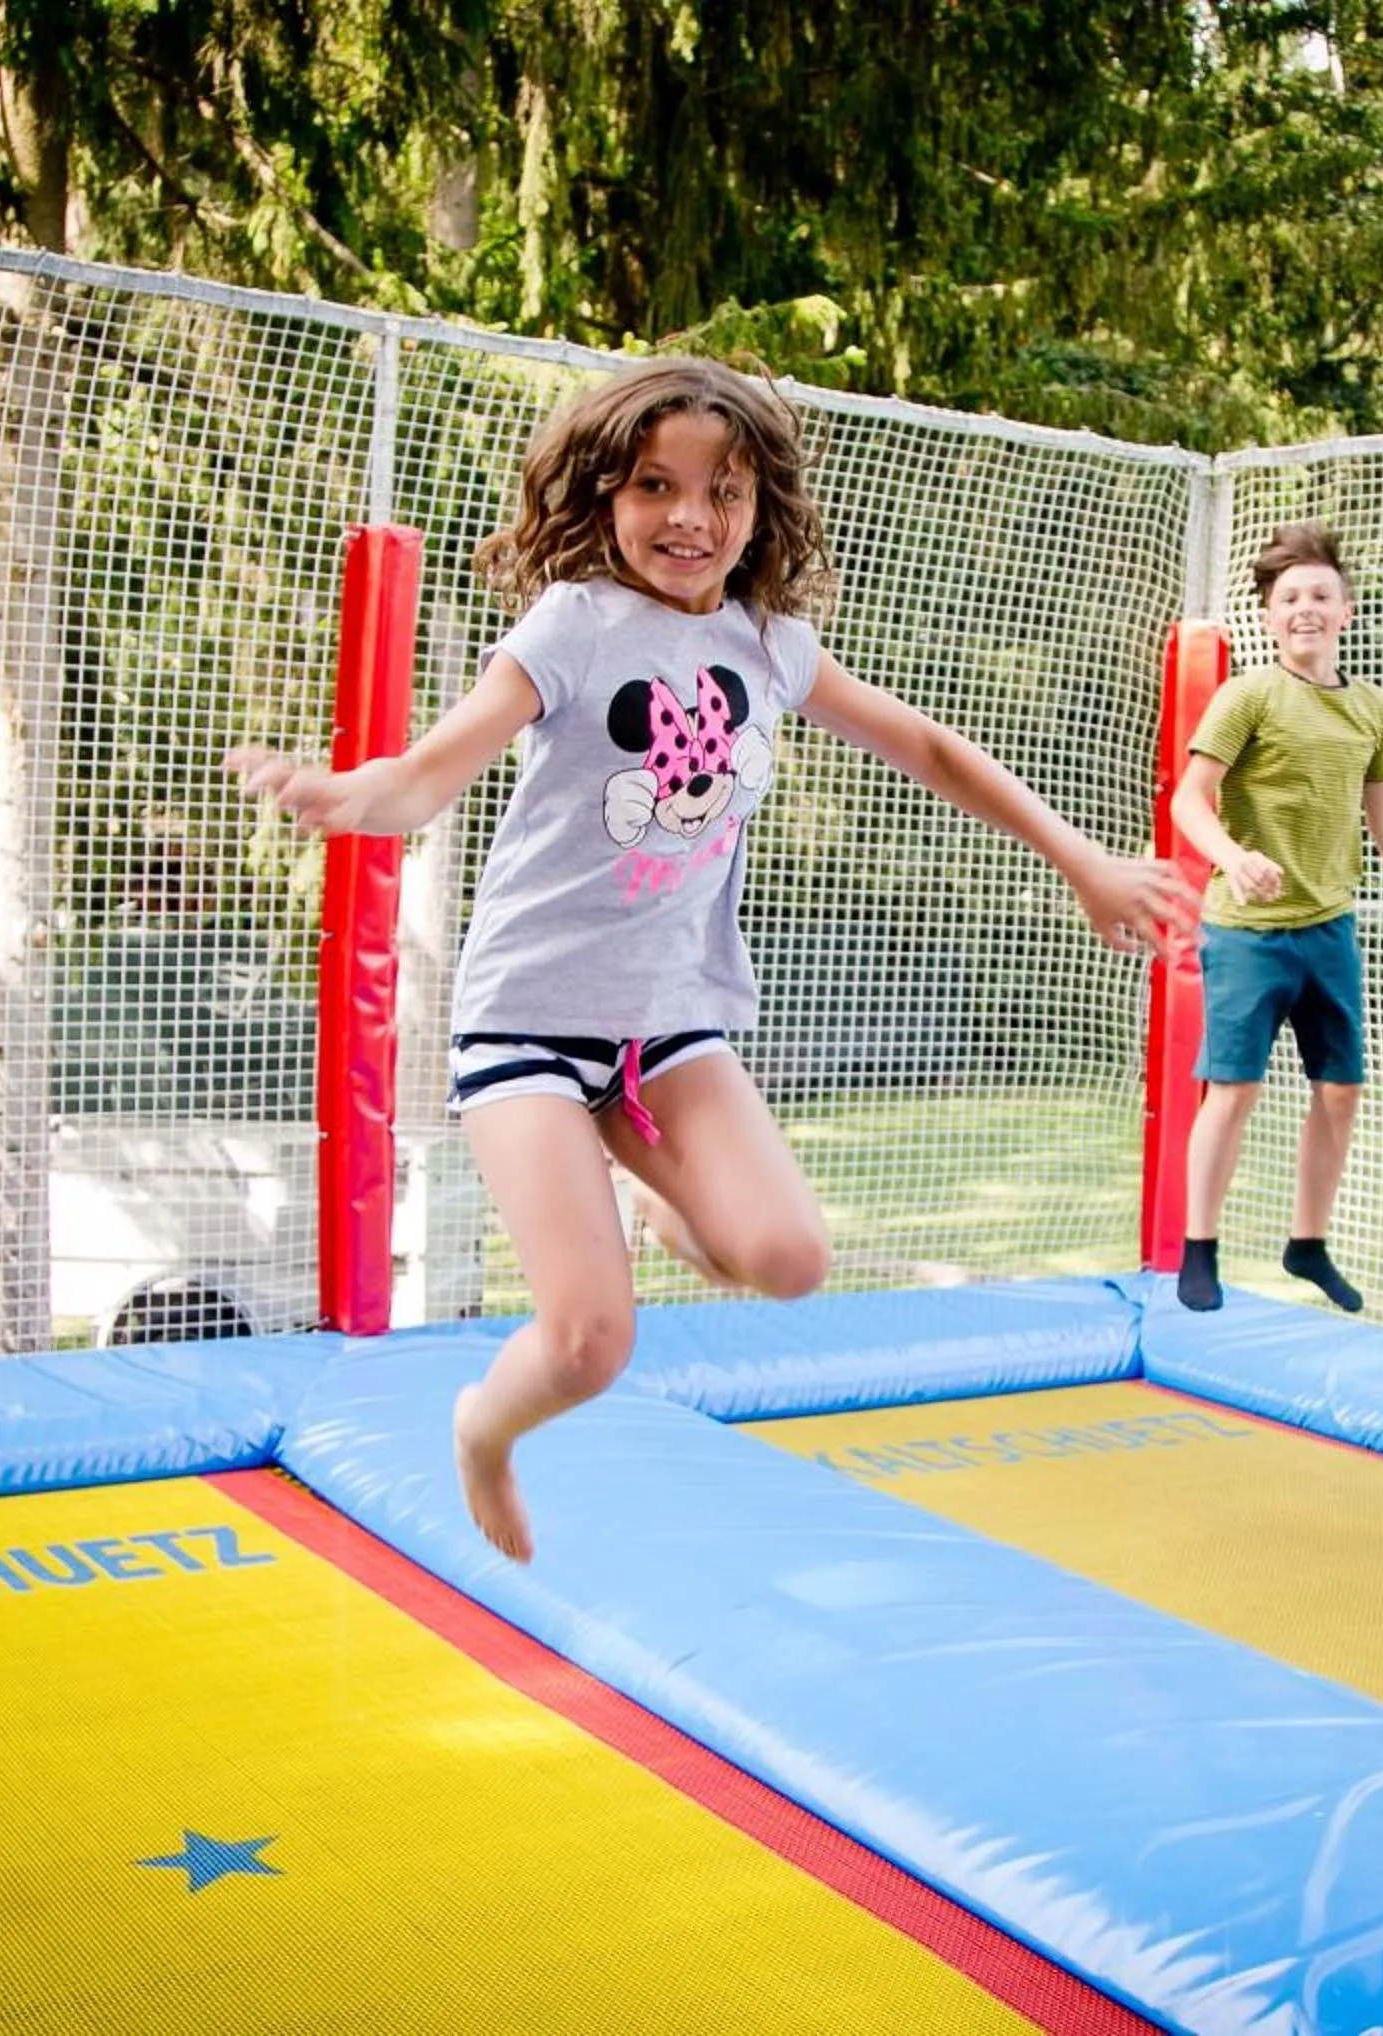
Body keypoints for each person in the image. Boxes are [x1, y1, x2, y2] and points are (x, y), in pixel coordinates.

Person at [227, 356, 1196, 1561]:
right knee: (591, 1341)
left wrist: (1083, 859)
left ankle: (647, 1179)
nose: (688, 516)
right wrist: (350, 791)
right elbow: (430, 770)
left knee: (787, 1259)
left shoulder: (771, 643)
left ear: (760, 510)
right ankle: (485, 1425)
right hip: (530, 1021)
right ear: (606, 496)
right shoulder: (573, 625)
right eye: (655, 485)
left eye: (721, 492)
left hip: (669, 1022)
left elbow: (934, 748)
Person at [1166, 520, 1383, 1315]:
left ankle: (1308, 1245)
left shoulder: (1373, 711)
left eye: (1319, 594)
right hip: (1247, 932)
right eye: (1288, 597)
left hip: (1330, 931)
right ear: (1269, 616)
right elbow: (1189, 800)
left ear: (1345, 609)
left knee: (1341, 1090)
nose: (1304, 607)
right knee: (1233, 1090)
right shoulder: (1249, 697)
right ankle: (1197, 1250)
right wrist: (1233, 858)